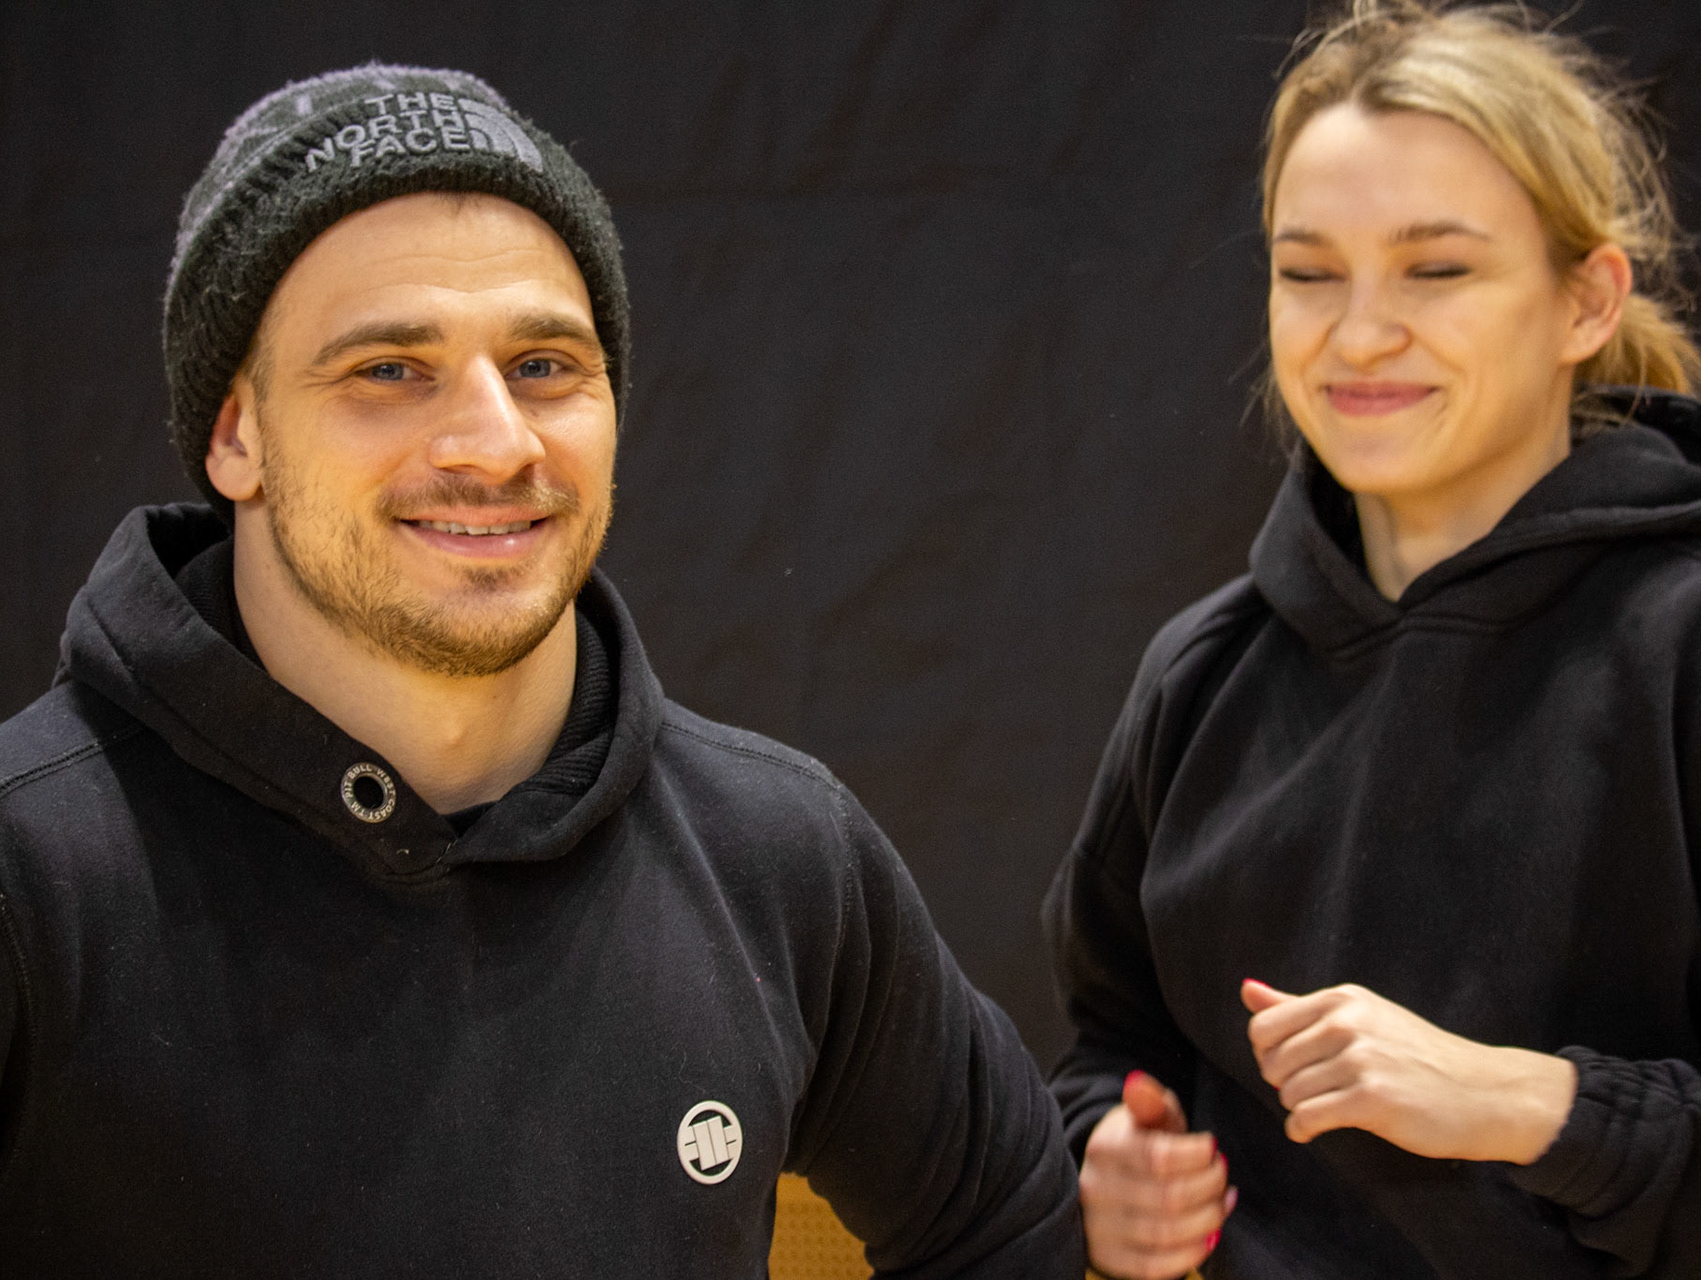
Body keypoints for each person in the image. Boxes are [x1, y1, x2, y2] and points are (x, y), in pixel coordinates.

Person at [0, 64, 1085, 1277]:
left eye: (543, 365)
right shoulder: (29, 877)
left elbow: (1007, 1218)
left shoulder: (778, 854)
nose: (496, 442)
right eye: (389, 369)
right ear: (235, 432)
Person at [1046, 2, 1701, 1277]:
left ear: (1586, 301)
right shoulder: (1200, 677)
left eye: (1438, 270)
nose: (1358, 332)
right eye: (1309, 272)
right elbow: (1108, 1050)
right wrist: (1103, 1159)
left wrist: (1539, 1106)